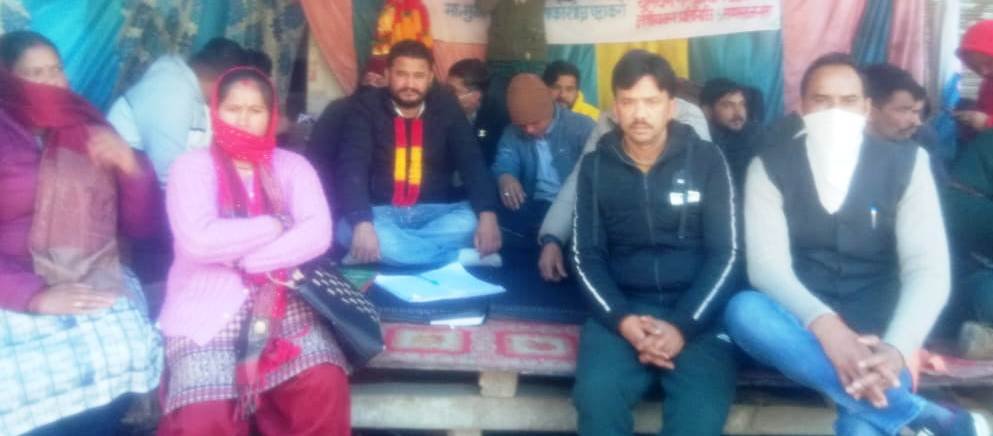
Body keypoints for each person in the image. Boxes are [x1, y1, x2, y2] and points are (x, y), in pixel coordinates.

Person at [725, 53, 989, 435]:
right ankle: (925, 416)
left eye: (848, 101)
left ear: (866, 108)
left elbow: (927, 269)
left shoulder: (908, 164)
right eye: (822, 100)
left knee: (861, 430)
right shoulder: (768, 167)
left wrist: (897, 347)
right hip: (802, 328)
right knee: (744, 310)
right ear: (802, 107)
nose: (835, 112)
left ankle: (912, 410)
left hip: (880, 332)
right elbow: (768, 268)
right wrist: (827, 327)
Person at [156, 67, 349, 435]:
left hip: (285, 303)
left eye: (255, 110)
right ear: (215, 111)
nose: (243, 120)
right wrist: (278, 224)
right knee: (204, 416)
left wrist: (245, 261)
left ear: (272, 116)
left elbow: (317, 233)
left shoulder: (293, 166)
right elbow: (199, 241)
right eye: (233, 109)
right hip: (205, 312)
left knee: (322, 383)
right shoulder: (190, 167)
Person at [0, 30, 162, 436]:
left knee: (121, 349)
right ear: (7, 79)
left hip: (92, 268)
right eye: (35, 73)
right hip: (12, 282)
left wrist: (132, 168)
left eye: (56, 70)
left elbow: (141, 227)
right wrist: (34, 295)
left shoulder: (87, 126)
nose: (51, 82)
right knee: (20, 381)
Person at [571, 50, 740, 436]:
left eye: (651, 101)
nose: (639, 114)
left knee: (699, 417)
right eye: (629, 102)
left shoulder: (707, 160)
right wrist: (623, 321)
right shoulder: (595, 167)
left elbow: (727, 254)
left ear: (671, 107)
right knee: (596, 398)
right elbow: (585, 255)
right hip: (622, 311)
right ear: (616, 108)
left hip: (697, 314)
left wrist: (682, 326)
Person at [335, 40, 501, 267]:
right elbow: (352, 166)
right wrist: (362, 223)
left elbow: (471, 160)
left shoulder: (446, 105)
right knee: (346, 228)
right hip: (379, 213)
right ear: (388, 74)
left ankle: (388, 252)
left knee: (471, 222)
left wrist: (487, 213)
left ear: (430, 77)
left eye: (418, 76)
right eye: (402, 74)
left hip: (432, 213)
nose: (410, 84)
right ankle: (456, 258)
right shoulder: (366, 107)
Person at [535, 95, 712, 283]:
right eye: (627, 98)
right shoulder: (608, 120)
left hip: (681, 254)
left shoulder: (690, 118)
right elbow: (581, 178)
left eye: (649, 98)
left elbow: (700, 184)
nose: (639, 112)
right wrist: (552, 238)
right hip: (623, 251)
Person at [107, 37, 249, 187]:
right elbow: (168, 177)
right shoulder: (172, 90)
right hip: (126, 184)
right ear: (222, 81)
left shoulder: (191, 91)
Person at [491, 73, 594, 253]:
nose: (529, 130)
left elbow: (595, 176)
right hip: (532, 204)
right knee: (488, 219)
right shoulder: (513, 131)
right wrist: (505, 177)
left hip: (571, 206)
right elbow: (505, 158)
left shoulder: (582, 127)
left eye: (535, 123)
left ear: (549, 111)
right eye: (523, 125)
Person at [863, 63, 951, 184]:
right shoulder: (844, 145)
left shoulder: (922, 137)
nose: (917, 122)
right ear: (869, 111)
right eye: (904, 110)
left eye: (917, 112)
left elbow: (938, 186)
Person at [700, 78, 760, 190]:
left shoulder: (758, 137)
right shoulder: (701, 144)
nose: (738, 112)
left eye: (742, 104)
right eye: (728, 105)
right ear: (707, 111)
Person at [446, 58, 507, 164]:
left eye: (453, 91)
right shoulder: (441, 107)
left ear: (476, 95)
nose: (447, 95)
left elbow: (491, 156)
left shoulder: (497, 116)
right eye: (447, 88)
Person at [955, 20, 993, 134]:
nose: (984, 72)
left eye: (990, 63)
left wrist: (987, 122)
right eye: (975, 66)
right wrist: (971, 117)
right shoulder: (988, 82)